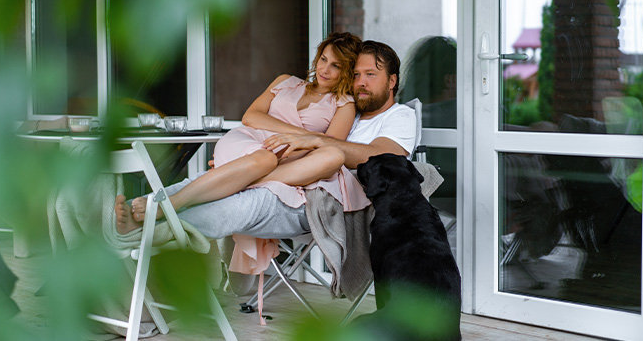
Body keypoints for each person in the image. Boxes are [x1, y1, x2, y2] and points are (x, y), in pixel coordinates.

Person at [114, 39, 416, 273]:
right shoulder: (342, 106)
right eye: (358, 74)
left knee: (246, 198)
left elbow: (382, 157)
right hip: (288, 176)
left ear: (391, 81)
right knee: (219, 184)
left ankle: (148, 227)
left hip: (316, 198)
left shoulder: (399, 116)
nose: (361, 82)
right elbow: (261, 122)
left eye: (371, 75)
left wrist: (307, 142)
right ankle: (147, 209)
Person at [115, 32, 363, 236]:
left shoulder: (343, 104)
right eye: (323, 60)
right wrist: (298, 135)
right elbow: (251, 117)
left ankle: (159, 213)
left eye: (336, 66)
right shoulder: (286, 81)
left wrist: (299, 142)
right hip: (247, 140)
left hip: (285, 163)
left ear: (347, 71)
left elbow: (329, 145)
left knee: (323, 157)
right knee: (264, 158)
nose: (325, 69)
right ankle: (169, 204)